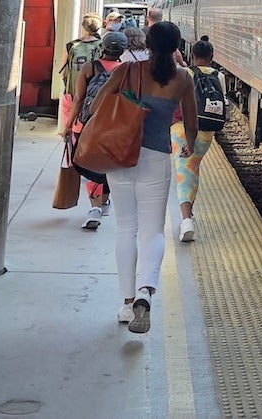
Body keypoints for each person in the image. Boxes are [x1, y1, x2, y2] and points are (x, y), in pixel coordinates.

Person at [108, 20, 196, 334]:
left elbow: (96, 105)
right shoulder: (183, 77)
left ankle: (127, 302)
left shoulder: (127, 72)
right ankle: (146, 291)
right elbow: (190, 120)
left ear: (147, 41)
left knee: (125, 229)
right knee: (152, 231)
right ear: (177, 46)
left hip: (120, 157)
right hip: (157, 159)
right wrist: (189, 145)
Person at [68, 28, 132, 230]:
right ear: (123, 50)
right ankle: (104, 201)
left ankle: (95, 208)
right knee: (108, 164)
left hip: (88, 124)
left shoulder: (89, 67)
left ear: (102, 48)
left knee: (91, 164)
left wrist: (69, 125)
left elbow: (79, 98)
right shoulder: (127, 70)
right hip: (115, 125)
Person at [172, 36, 219, 242]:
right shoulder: (220, 76)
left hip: (182, 130)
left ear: (192, 55)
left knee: (184, 173)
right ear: (212, 57)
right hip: (207, 132)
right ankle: (189, 214)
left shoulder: (184, 73)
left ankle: (186, 221)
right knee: (193, 170)